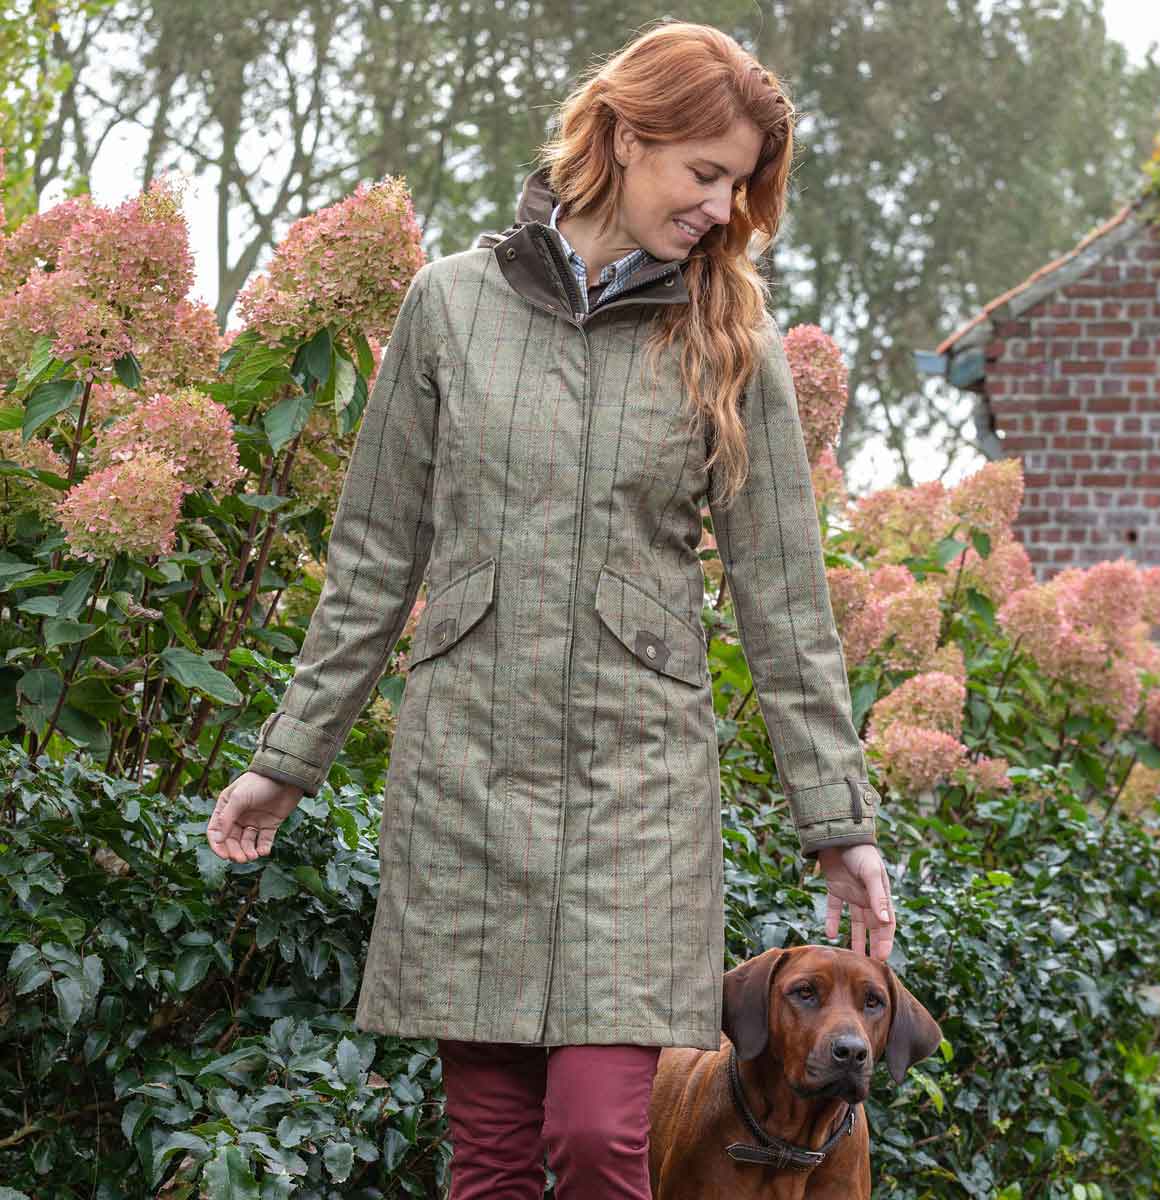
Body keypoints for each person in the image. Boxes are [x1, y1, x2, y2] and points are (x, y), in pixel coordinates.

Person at [207, 18, 894, 1200]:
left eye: (740, 186)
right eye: (706, 173)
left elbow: (785, 600)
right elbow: (373, 557)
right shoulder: (449, 306)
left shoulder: (730, 343)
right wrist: (288, 759)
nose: (723, 209)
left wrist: (838, 822)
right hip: (467, 774)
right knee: (488, 1155)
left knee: (593, 1134)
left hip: (640, 792)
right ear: (626, 138)